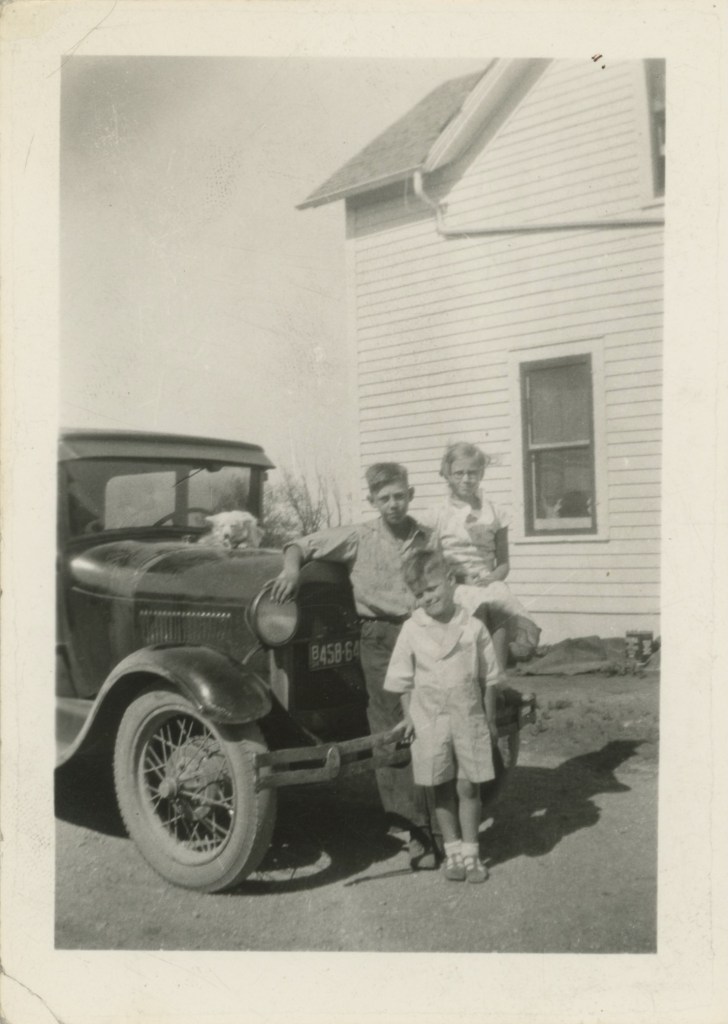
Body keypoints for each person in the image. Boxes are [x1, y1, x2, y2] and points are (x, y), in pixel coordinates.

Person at [269, 462, 438, 869]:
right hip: (379, 638)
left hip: (424, 630)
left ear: (411, 495)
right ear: (372, 501)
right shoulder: (357, 537)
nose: (393, 504)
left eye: (399, 496)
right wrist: (291, 572)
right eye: (385, 498)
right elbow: (298, 545)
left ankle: (440, 815)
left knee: (434, 718)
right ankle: (413, 828)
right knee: (392, 726)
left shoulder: (427, 536)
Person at [385, 549, 504, 883]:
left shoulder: (473, 627)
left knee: (468, 785)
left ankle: (471, 853)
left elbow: (489, 678)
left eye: (432, 588)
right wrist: (409, 717)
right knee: (440, 785)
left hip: (468, 716)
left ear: (450, 581)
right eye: (419, 593)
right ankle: (452, 852)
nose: (427, 598)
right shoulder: (412, 629)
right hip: (429, 718)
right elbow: (403, 679)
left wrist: (491, 719)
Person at [423, 441, 540, 671]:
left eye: (472, 473)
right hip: (454, 584)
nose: (467, 479)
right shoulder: (437, 514)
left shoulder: (494, 512)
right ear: (448, 475)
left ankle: (497, 675)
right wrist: (455, 578)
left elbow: (504, 564)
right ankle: (475, 673)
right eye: (459, 473)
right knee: (478, 610)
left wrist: (492, 578)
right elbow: (432, 562)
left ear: (481, 474)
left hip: (487, 581)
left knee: (496, 605)